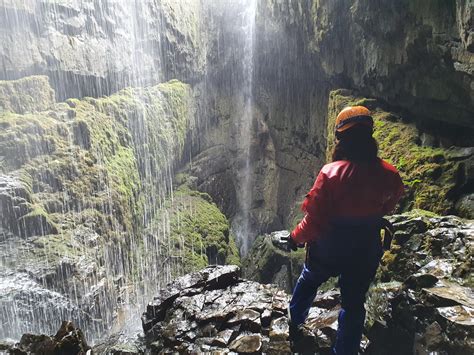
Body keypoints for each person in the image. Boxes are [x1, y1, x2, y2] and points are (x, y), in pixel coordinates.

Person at [286, 106, 404, 354]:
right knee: (353, 303)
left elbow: (314, 220)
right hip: (365, 248)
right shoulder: (389, 174)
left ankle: (294, 324)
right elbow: (389, 206)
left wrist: (294, 238)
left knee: (309, 280)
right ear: (370, 136)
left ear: (340, 140)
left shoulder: (330, 173)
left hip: (329, 246)